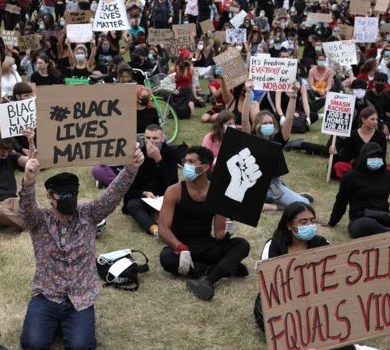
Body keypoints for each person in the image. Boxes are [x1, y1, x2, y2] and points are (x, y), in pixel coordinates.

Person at [18, 141, 144, 350]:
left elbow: (112, 195)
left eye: (72, 195)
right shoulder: (40, 221)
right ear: (50, 198)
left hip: (80, 298)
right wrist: (29, 180)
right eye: (63, 196)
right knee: (34, 344)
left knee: (81, 347)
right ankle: (52, 324)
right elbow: (26, 209)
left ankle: (65, 325)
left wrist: (130, 169)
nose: (69, 200)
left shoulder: (88, 214)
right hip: (47, 295)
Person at [158, 146, 250, 301]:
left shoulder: (217, 192)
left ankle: (208, 281)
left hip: (206, 245)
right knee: (166, 258)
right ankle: (219, 268)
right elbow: (163, 228)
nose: (186, 165)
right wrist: (180, 247)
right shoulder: (174, 191)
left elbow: (219, 234)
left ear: (206, 166)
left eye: (192, 162)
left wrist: (228, 230)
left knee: (242, 244)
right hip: (181, 247)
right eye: (185, 161)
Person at [253, 202, 329, 331]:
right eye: (303, 222)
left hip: (312, 297)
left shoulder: (322, 244)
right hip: (282, 298)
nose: (310, 225)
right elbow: (269, 285)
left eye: (312, 221)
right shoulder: (274, 246)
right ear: (289, 225)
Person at [123, 124, 178, 237]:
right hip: (146, 197)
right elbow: (128, 189)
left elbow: (172, 184)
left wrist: (159, 160)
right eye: (148, 138)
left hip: (164, 197)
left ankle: (164, 220)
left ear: (162, 139)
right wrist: (144, 193)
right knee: (132, 205)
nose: (151, 142)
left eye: (155, 138)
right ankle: (155, 229)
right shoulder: (139, 155)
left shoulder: (170, 153)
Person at [326, 142, 390, 238]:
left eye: (378, 156)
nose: (376, 159)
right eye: (372, 157)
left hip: (383, 216)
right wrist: (332, 222)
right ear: (363, 157)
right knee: (367, 224)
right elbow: (341, 201)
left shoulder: (387, 175)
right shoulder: (351, 176)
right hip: (360, 218)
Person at [333, 108, 388, 179]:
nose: (375, 122)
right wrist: (334, 153)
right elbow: (346, 156)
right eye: (372, 119)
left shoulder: (380, 135)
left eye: (376, 119)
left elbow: (382, 157)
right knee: (338, 166)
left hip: (374, 167)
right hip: (357, 168)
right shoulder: (353, 135)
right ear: (363, 120)